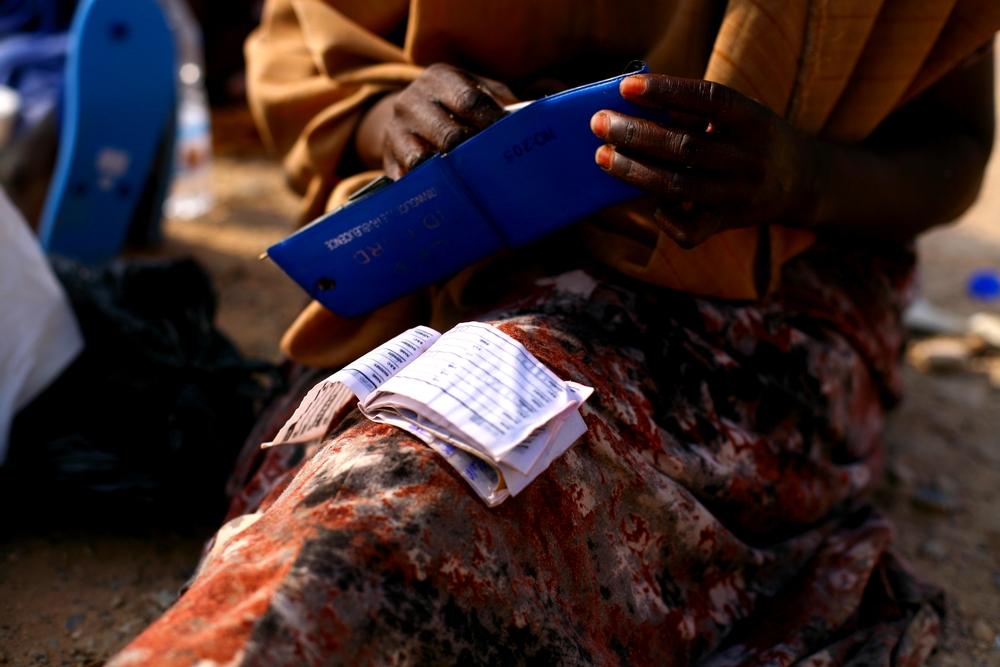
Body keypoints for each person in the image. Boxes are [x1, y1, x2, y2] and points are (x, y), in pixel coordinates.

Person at [111, 1, 998, 664]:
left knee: (433, 483)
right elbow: (305, 55)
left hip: (756, 304)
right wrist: (396, 115)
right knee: (401, 442)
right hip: (459, 271)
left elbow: (952, 146)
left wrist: (798, 178)